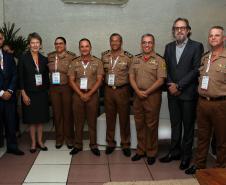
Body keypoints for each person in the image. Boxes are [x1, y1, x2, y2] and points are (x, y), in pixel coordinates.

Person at [159, 18, 204, 170]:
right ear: (173, 31)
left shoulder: (196, 46)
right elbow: (166, 68)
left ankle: (186, 156)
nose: (179, 30)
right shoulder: (169, 47)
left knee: (188, 126)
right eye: (177, 28)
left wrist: (179, 85)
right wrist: (171, 85)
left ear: (188, 30)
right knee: (175, 124)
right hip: (173, 93)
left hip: (188, 94)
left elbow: (196, 69)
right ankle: (174, 152)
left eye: (183, 28)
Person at [186, 26, 226, 174]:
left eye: (217, 35)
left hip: (221, 104)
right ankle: (199, 164)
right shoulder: (205, 57)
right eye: (211, 35)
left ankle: (220, 168)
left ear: (223, 38)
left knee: (222, 140)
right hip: (203, 102)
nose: (213, 38)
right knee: (202, 137)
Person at [129, 33, 166, 165]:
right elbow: (131, 77)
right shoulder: (135, 59)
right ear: (141, 44)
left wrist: (146, 92)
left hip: (153, 97)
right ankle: (140, 150)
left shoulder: (160, 60)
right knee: (139, 124)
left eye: (149, 42)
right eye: (144, 42)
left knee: (151, 125)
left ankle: (151, 152)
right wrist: (138, 92)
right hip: (137, 97)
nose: (147, 45)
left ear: (153, 44)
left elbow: (161, 80)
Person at [68, 38, 104, 156]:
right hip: (78, 95)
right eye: (82, 46)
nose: (84, 48)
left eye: (86, 46)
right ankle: (78, 145)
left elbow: (99, 80)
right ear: (79, 48)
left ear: (90, 47)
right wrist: (80, 94)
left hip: (92, 95)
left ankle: (93, 145)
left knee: (92, 121)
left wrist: (88, 94)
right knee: (78, 122)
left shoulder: (97, 62)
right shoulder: (74, 62)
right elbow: (71, 80)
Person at [101, 33, 132, 157]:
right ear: (110, 42)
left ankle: (125, 144)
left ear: (121, 42)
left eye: (117, 41)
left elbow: (132, 75)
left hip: (122, 90)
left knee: (124, 118)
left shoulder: (128, 57)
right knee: (110, 118)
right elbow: (102, 73)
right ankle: (110, 143)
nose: (114, 43)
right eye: (112, 41)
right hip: (108, 90)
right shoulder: (104, 56)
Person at [18, 32, 50, 153]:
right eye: (33, 43)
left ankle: (40, 141)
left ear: (40, 44)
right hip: (29, 93)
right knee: (31, 120)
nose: (35, 45)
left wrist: (47, 91)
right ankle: (32, 143)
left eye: (37, 42)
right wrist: (23, 93)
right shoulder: (23, 58)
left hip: (41, 93)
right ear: (29, 44)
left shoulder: (44, 59)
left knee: (40, 119)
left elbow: (46, 77)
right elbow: (20, 77)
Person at [48, 37, 75, 149]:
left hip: (66, 88)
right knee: (57, 114)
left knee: (68, 114)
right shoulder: (50, 56)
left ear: (65, 44)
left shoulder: (71, 56)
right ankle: (59, 138)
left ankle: (69, 139)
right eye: (56, 43)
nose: (58, 45)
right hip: (54, 88)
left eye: (61, 43)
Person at [0, 30, 24, 155]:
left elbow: (15, 75)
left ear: (3, 40)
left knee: (11, 122)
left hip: (10, 95)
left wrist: (9, 90)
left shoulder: (9, 56)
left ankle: (12, 146)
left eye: (0, 38)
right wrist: (1, 92)